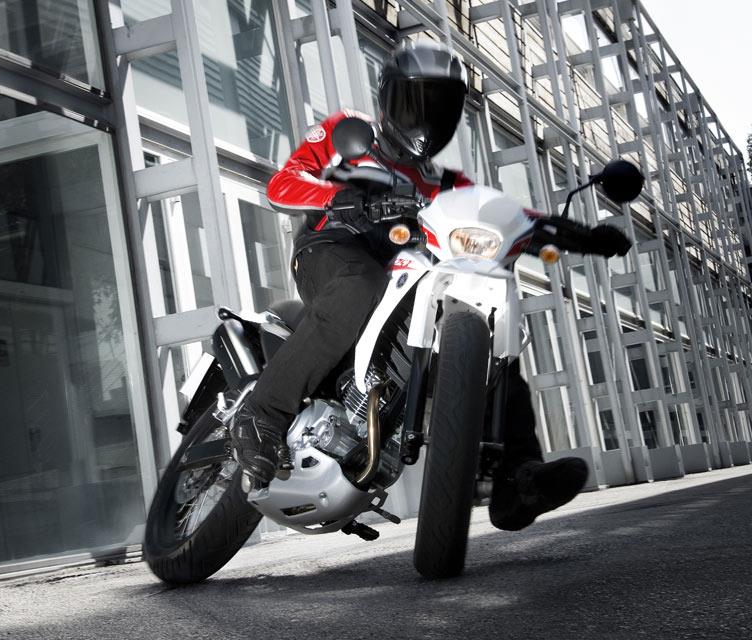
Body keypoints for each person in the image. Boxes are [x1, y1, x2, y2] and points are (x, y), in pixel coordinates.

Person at [230, 41, 630, 531]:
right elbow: (283, 184)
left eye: (439, 109)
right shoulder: (347, 132)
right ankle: (263, 414)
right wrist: (342, 198)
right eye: (414, 103)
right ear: (387, 99)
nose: (424, 119)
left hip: (402, 277)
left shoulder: (443, 182)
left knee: (489, 337)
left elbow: (501, 213)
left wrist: (575, 234)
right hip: (330, 248)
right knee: (360, 283)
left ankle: (515, 479)